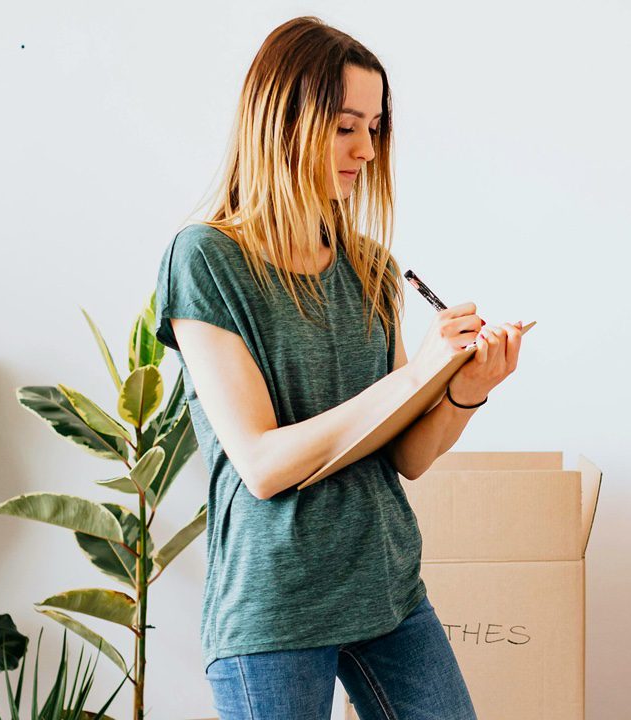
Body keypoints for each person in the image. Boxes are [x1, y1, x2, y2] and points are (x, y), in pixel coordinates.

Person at [151, 16, 523, 720]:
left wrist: (463, 392)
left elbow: (405, 458)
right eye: (346, 126)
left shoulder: (372, 268)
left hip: (386, 589)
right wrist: (416, 374)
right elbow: (262, 465)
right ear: (281, 121)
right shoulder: (206, 259)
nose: (367, 150)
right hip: (275, 606)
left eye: (375, 128)